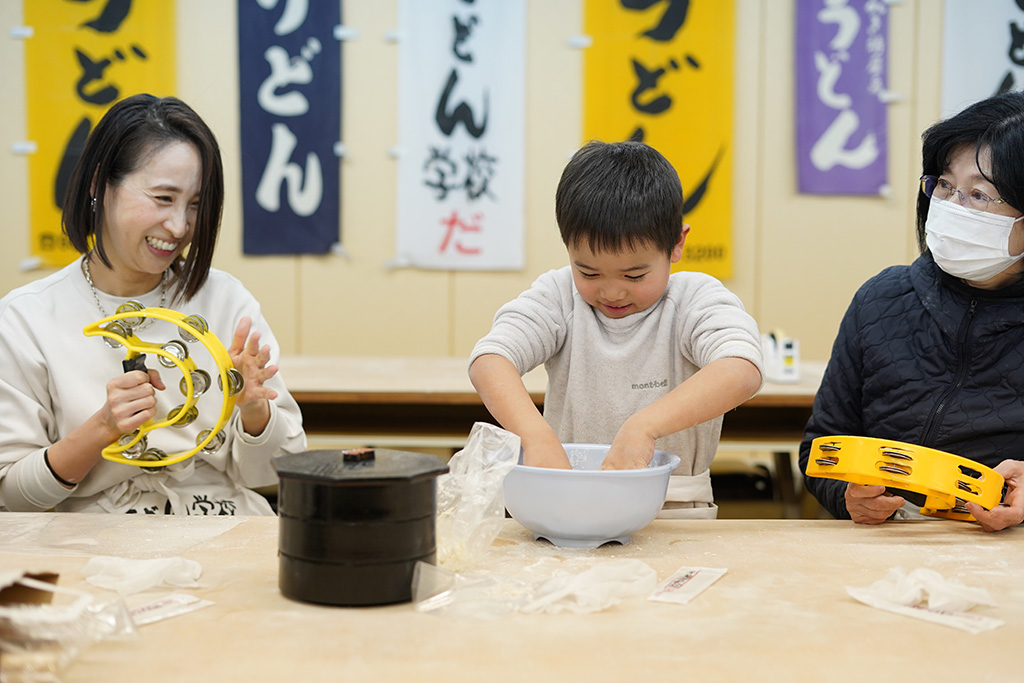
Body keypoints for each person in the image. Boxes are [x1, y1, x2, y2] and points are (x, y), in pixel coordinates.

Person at [0, 94, 307, 515]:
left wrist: (255, 411)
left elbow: (273, 474)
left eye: (196, 205)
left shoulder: (225, 299)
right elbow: (12, 498)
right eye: (163, 199)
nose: (180, 226)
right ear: (98, 185)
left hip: (220, 526)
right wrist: (103, 427)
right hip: (90, 543)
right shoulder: (27, 318)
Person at [468, 140, 764, 518]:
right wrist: (536, 436)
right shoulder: (559, 296)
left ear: (676, 245)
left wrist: (644, 427)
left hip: (673, 510)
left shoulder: (694, 299)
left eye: (634, 274)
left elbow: (742, 369)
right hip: (567, 503)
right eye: (588, 272)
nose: (611, 291)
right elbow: (490, 360)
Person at [799, 91, 1024, 532]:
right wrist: (849, 500)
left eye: (979, 194)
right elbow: (819, 449)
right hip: (889, 546)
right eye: (943, 185)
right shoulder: (882, 299)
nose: (951, 206)